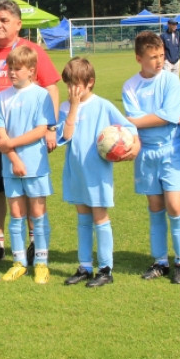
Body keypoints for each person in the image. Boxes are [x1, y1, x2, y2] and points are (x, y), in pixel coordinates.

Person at [0, 0, 61, 264]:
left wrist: (51, 127)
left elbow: (51, 87)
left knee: (28, 189)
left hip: (27, 138)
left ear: (18, 24)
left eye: (4, 20)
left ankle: (33, 242)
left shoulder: (32, 51)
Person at [58, 57, 139, 288]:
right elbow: (66, 136)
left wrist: (132, 145)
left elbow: (129, 128)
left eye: (76, 84)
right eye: (68, 84)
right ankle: (84, 266)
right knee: (83, 219)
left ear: (90, 82)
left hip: (97, 173)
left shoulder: (102, 105)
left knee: (99, 217)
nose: (71, 90)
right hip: (75, 171)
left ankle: (105, 269)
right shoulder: (66, 107)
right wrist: (73, 107)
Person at [123, 32, 180, 284]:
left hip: (171, 149)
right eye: (153, 57)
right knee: (155, 206)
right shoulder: (130, 86)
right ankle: (160, 261)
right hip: (145, 153)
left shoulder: (171, 82)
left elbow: (168, 116)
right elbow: (141, 121)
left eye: (161, 55)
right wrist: (158, 116)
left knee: (174, 205)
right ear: (139, 58)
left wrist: (140, 120)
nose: (159, 61)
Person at [0, 46, 56, 284]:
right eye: (9, 68)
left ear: (31, 71)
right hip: (11, 166)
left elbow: (41, 130)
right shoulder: (3, 97)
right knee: (16, 214)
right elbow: (0, 130)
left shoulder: (41, 96)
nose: (11, 72)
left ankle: (41, 262)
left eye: (17, 69)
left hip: (36, 165)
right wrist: (13, 157)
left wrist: (10, 145)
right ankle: (19, 262)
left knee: (38, 213)